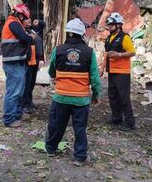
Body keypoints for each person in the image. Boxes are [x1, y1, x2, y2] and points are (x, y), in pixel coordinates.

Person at [45, 18, 101, 167]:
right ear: (82, 34)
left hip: (61, 97)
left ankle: (50, 149)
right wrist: (96, 94)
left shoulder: (59, 50)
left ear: (68, 33)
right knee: (80, 128)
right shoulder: (89, 52)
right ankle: (79, 157)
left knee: (56, 125)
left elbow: (51, 70)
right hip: (81, 99)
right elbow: (95, 77)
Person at [100, 12, 136, 131]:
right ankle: (117, 117)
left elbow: (132, 52)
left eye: (111, 25)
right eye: (108, 25)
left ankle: (129, 122)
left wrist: (119, 54)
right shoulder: (109, 38)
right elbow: (106, 54)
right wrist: (102, 68)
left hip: (122, 72)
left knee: (123, 97)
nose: (109, 27)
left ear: (118, 25)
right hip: (112, 71)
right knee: (113, 96)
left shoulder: (124, 37)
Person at [1, 4, 36, 127]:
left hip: (17, 62)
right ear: (20, 15)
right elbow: (25, 39)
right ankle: (9, 119)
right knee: (14, 92)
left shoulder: (15, 23)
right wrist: (30, 37)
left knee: (18, 91)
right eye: (25, 17)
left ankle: (15, 115)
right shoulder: (13, 23)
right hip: (13, 63)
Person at [22, 20, 44, 113]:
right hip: (28, 61)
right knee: (27, 83)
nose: (29, 21)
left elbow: (43, 25)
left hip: (35, 60)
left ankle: (29, 101)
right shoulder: (22, 31)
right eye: (27, 20)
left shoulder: (32, 30)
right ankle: (24, 104)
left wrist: (38, 21)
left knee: (32, 83)